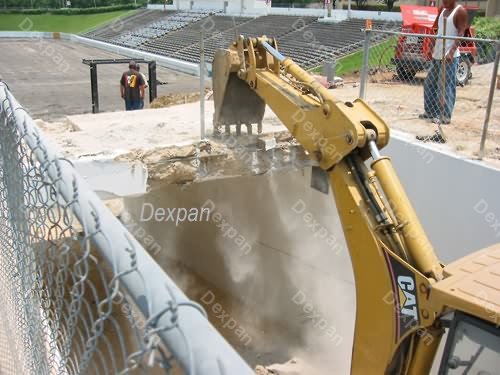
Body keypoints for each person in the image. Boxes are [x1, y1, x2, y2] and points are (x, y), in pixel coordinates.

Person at [419, 0, 467, 124]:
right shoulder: (442, 10)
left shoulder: (460, 11)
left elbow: (461, 33)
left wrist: (451, 52)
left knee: (446, 87)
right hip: (437, 54)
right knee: (430, 83)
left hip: (450, 57)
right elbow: (437, 29)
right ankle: (430, 112)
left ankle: (445, 116)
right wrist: (431, 47)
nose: (444, 1)